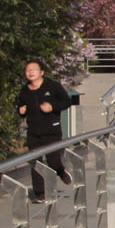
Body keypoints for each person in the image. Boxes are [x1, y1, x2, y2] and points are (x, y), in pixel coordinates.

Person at [15, 60, 73, 203]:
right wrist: (21, 111)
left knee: (53, 160)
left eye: (34, 69)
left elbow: (66, 101)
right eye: (28, 70)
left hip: (51, 130)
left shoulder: (52, 86)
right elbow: (21, 106)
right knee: (35, 162)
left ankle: (60, 171)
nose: (30, 72)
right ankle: (40, 193)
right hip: (33, 132)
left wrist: (52, 106)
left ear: (41, 72)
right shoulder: (25, 90)